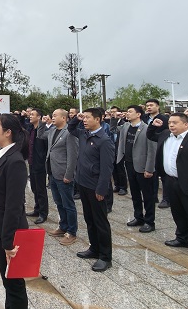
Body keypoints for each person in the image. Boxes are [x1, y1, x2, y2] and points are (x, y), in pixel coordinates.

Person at [147, 113, 188, 262]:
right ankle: (182, 238)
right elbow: (150, 135)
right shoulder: (165, 135)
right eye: (170, 122)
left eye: (175, 123)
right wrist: (153, 126)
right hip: (171, 181)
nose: (171, 125)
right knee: (178, 212)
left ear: (185, 124)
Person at [0, 113, 29, 309]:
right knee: (7, 278)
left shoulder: (15, 161)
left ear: (8, 132)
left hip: (10, 230)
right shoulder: (0, 152)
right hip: (0, 227)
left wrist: (9, 242)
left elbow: (14, 205)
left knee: (14, 282)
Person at [68, 108, 115, 272]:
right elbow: (71, 128)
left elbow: (107, 169)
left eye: (88, 118)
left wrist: (102, 189)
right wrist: (76, 118)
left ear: (98, 119)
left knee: (100, 222)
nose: (85, 120)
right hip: (83, 184)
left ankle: (105, 257)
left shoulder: (104, 140)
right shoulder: (84, 134)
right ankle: (94, 248)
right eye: (84, 118)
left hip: (96, 187)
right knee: (89, 219)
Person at [112, 105, 157, 233]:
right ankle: (138, 217)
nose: (127, 113)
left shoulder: (147, 128)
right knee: (135, 193)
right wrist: (115, 118)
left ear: (138, 114)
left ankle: (149, 221)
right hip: (129, 163)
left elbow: (152, 151)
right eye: (127, 111)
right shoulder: (126, 126)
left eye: (130, 112)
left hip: (143, 166)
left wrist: (149, 169)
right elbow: (113, 129)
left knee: (147, 195)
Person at [40, 109, 79, 246]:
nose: (52, 117)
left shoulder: (70, 133)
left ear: (64, 118)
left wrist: (69, 174)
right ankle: (63, 226)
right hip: (53, 172)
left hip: (63, 174)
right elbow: (41, 135)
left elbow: (73, 156)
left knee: (68, 204)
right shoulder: (52, 131)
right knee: (59, 202)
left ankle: (72, 231)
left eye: (55, 115)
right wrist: (42, 123)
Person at [142, 99, 170, 208]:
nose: (149, 107)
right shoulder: (144, 118)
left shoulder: (164, 119)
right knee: (151, 173)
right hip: (146, 147)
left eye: (151, 105)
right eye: (147, 106)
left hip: (160, 147)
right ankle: (153, 196)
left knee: (163, 174)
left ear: (158, 107)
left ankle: (166, 198)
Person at [24, 109, 49, 225]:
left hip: (40, 164)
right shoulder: (30, 129)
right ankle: (37, 209)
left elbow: (46, 148)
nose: (30, 116)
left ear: (39, 117)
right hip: (31, 162)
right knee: (34, 188)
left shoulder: (44, 131)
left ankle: (43, 213)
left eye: (33, 115)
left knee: (41, 189)